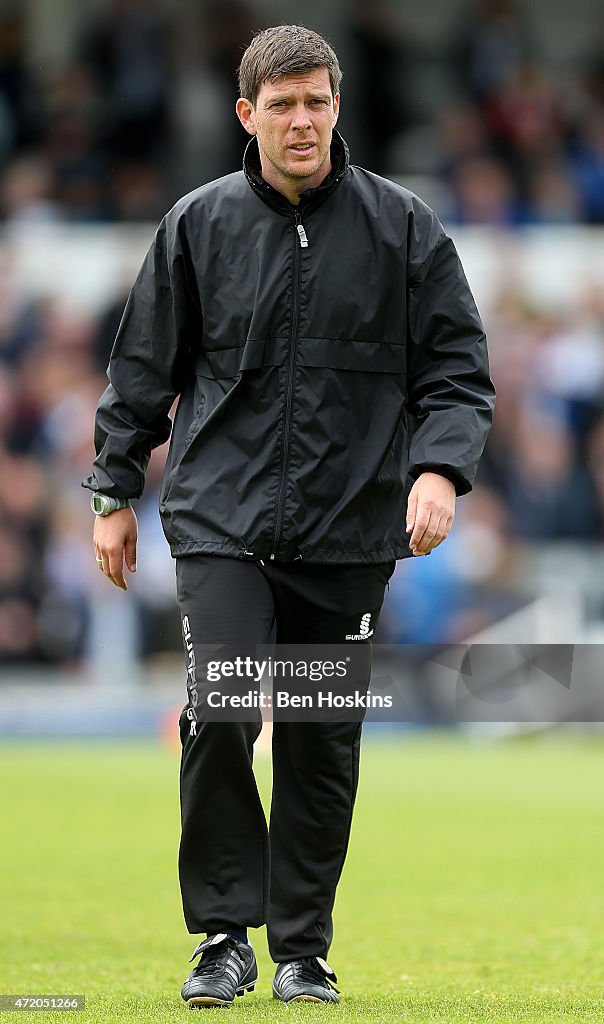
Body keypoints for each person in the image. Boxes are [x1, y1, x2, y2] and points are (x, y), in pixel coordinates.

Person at [84, 24, 495, 1008]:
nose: (302, 120)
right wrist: (110, 493)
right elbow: (142, 368)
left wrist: (438, 471)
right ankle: (223, 934)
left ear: (337, 105)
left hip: (349, 533)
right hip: (220, 522)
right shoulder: (195, 224)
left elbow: (456, 371)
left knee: (319, 739)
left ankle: (302, 950)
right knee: (221, 708)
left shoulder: (404, 229)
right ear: (246, 115)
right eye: (283, 105)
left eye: (316, 101)